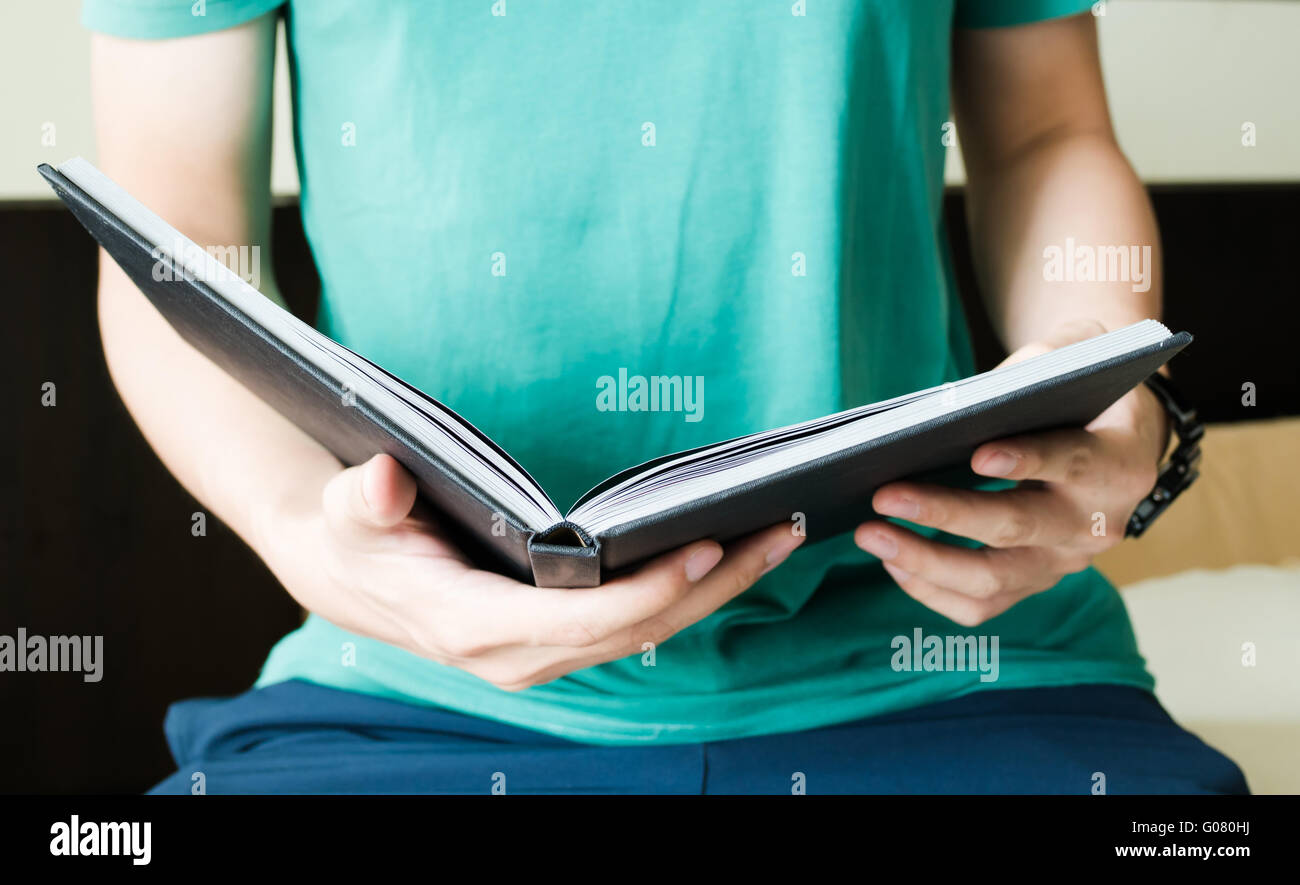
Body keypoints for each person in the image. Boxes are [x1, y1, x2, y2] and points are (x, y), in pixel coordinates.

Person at [85, 0, 1247, 793]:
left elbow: (1047, 133)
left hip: (968, 670)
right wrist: (303, 533)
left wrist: (1105, 396)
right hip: (405, 694)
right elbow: (173, 225)